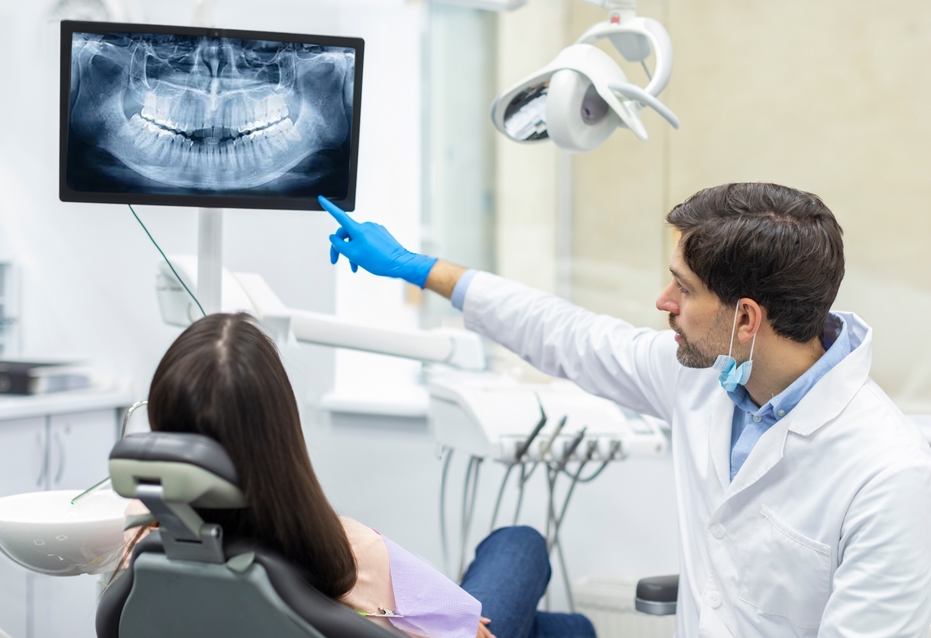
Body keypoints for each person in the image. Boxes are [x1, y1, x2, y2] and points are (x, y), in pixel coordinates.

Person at [319, 183, 931, 637]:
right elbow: (568, 335)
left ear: (746, 318)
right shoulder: (707, 378)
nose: (662, 301)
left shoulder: (888, 477)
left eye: (684, 288)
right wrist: (420, 269)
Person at [124, 312, 596, 638]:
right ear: (279, 433)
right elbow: (469, 627)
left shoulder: (141, 557)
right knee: (519, 543)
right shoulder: (344, 552)